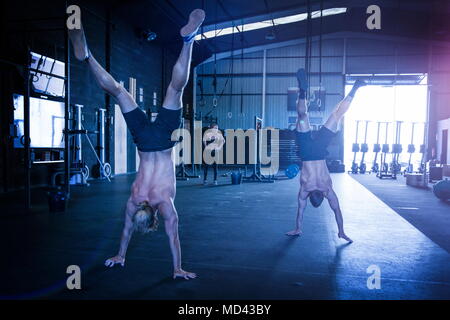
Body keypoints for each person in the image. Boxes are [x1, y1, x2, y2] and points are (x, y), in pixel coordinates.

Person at [68, 9, 206, 280]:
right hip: (143, 140)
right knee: (118, 91)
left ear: (155, 217)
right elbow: (126, 230)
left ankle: (188, 41)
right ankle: (87, 57)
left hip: (163, 140)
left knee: (174, 90)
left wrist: (177, 268)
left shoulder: (165, 204)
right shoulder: (133, 201)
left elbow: (173, 238)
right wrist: (120, 253)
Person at [286, 68, 366, 242]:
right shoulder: (304, 190)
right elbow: (301, 211)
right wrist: (297, 228)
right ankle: (303, 91)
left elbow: (337, 210)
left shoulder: (327, 189)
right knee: (302, 115)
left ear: (322, 196)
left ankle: (356, 87)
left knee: (337, 115)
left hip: (319, 151)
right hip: (307, 152)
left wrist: (342, 231)